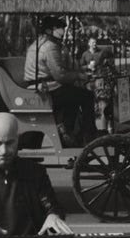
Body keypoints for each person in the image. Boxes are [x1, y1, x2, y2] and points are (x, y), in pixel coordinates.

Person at [25, 15, 96, 145]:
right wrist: (80, 76)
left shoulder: (38, 44)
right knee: (87, 96)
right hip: (47, 88)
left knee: (74, 96)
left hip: (41, 85)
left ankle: (67, 132)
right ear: (48, 30)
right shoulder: (49, 46)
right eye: (58, 28)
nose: (62, 31)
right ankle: (88, 134)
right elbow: (61, 75)